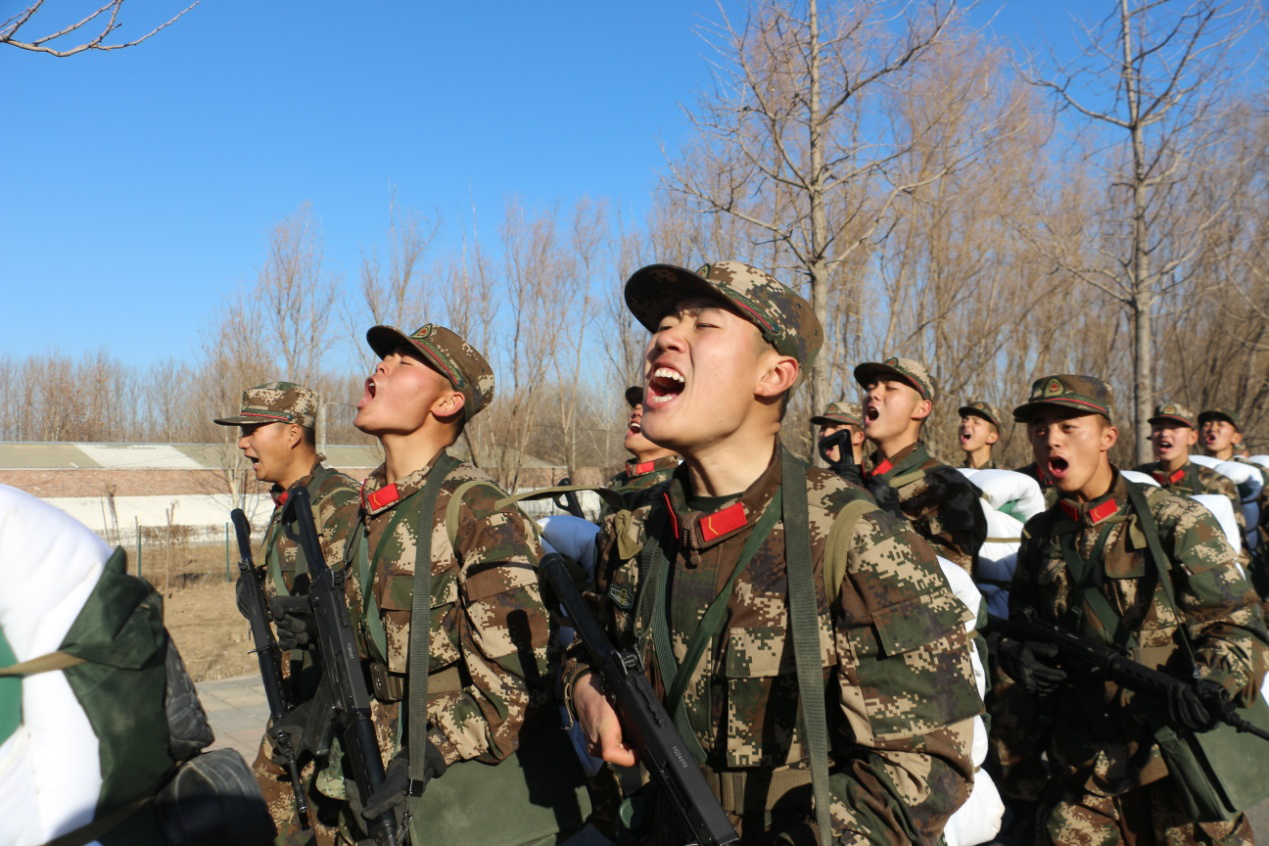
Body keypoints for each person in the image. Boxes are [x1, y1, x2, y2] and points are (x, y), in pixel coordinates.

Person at [565, 261, 981, 844]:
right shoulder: (636, 528)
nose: (664, 338)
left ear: (774, 375)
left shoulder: (855, 539)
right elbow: (592, 644)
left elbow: (924, 769)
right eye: (662, 324)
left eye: (704, 325)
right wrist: (586, 689)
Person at [990, 375, 1269, 845]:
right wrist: (1020, 656)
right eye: (1039, 429)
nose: (1050, 439)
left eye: (1069, 426)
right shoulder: (1040, 535)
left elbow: (1240, 629)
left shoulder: (1175, 520)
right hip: (1081, 771)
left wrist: (1213, 684)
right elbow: (1020, 628)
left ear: (1107, 438)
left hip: (1175, 763)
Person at [338, 323, 587, 845]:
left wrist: (431, 748)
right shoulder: (370, 509)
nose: (380, 366)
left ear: (448, 402)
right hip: (383, 778)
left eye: (404, 362)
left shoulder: (474, 507)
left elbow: (524, 678)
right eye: (384, 359)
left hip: (470, 800)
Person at [214, 381, 360, 844]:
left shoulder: (337, 504)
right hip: (295, 702)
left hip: (334, 716)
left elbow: (363, 616)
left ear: (294, 433)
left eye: (254, 429)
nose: (243, 442)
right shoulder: (289, 503)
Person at [855, 357, 987, 574]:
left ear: (921, 409)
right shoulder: (852, 477)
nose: (873, 394)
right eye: (871, 388)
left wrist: (890, 520)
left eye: (890, 388)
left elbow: (954, 579)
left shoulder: (948, 487)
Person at [1134, 402, 1243, 534]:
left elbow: (1235, 539)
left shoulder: (1214, 483)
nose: (1164, 434)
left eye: (1174, 428)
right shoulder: (1136, 478)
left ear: (1192, 437)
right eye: (1158, 428)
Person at [607, 385, 679, 504]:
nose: (635, 413)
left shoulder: (683, 486)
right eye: (635, 408)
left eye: (648, 409)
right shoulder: (616, 484)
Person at [810, 400, 866, 478]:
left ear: (859, 437)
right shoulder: (817, 480)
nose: (825, 434)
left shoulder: (877, 477)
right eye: (823, 427)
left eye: (836, 427)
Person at [958, 399, 1002, 470]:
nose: (966, 424)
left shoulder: (1005, 477)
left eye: (976, 422)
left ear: (992, 437)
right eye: (964, 420)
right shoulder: (950, 477)